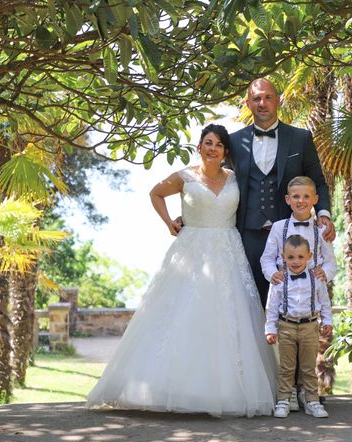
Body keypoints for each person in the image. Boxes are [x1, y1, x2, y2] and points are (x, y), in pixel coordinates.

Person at [86, 124, 276, 417]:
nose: (213, 148)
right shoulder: (184, 177)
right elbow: (155, 193)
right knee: (182, 314)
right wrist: (169, 223)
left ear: (226, 152)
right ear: (199, 146)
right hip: (191, 249)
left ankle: (224, 391)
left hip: (228, 250)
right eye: (208, 143)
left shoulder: (235, 179)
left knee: (227, 318)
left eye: (219, 145)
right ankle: (172, 388)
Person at [230, 78, 335, 308]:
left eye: (268, 97)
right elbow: (218, 183)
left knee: (294, 304)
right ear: (248, 103)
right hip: (247, 235)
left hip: (291, 235)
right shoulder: (234, 142)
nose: (262, 103)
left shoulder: (300, 138)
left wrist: (324, 213)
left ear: (278, 100)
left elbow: (318, 182)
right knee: (248, 305)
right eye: (256, 98)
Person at [260, 175, 337, 412]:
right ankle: (287, 396)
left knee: (307, 360)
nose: (301, 201)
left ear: (315, 199)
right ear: (288, 200)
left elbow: (330, 262)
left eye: (306, 196)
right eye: (296, 196)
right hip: (285, 299)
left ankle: (309, 396)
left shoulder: (320, 229)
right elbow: (267, 257)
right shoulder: (278, 227)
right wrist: (272, 273)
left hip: (311, 297)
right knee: (286, 360)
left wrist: (325, 273)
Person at [265, 235, 333, 419]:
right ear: (283, 257)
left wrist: (327, 322)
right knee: (286, 367)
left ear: (309, 256)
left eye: (301, 257)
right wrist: (270, 329)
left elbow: (325, 303)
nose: (296, 262)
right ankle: (284, 400)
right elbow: (271, 307)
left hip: (310, 327)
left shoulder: (317, 279)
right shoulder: (278, 280)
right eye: (291, 257)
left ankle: (312, 401)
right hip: (285, 326)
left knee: (308, 367)